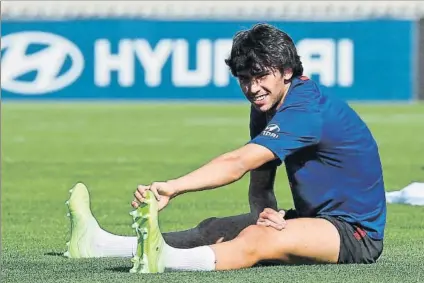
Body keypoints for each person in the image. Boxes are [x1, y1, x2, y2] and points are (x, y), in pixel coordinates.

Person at [65, 23, 386, 273]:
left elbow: (238, 163)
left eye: (260, 76)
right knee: (215, 228)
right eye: (244, 78)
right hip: (315, 219)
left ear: (288, 71)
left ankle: (166, 261)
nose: (252, 88)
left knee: (261, 239)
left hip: (354, 233)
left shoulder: (305, 111)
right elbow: (261, 186)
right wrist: (264, 214)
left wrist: (173, 188)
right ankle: (101, 245)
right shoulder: (267, 106)